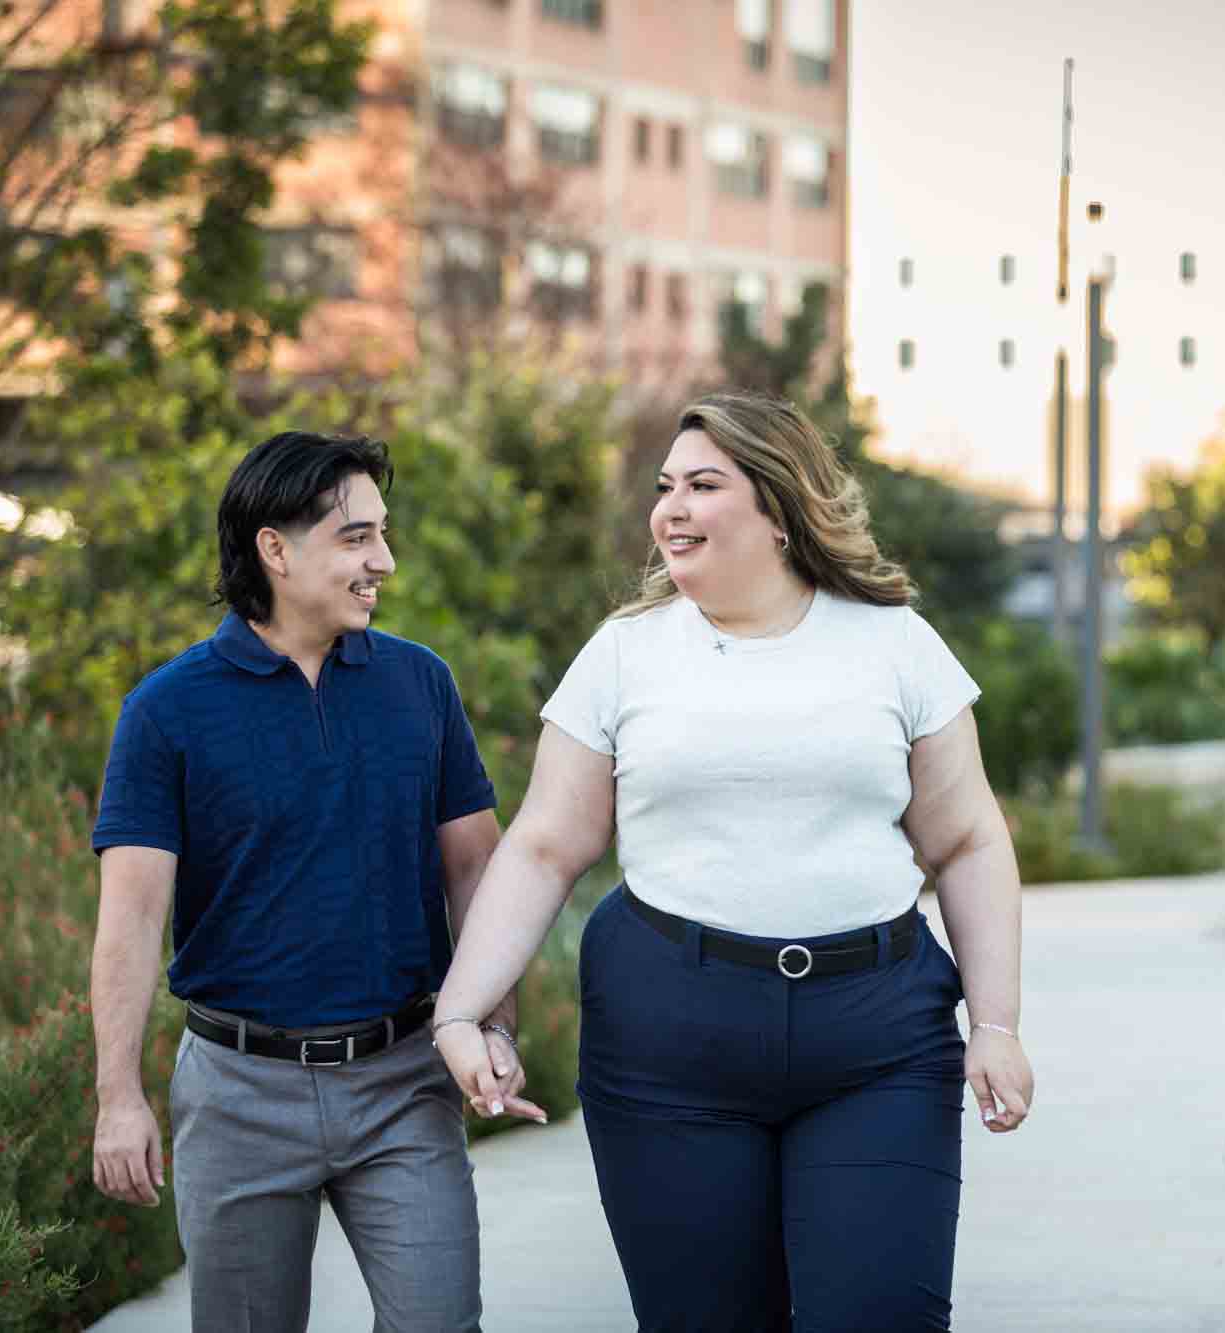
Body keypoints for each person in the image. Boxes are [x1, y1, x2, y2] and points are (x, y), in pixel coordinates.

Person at [432, 391, 1035, 1331]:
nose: (669, 508)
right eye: (666, 486)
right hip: (669, 1040)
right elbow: (546, 845)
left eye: (703, 485)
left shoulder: (895, 642)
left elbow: (966, 840)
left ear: (781, 508)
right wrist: (463, 1010)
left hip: (873, 1042)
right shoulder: (626, 653)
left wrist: (995, 1021)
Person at [88, 430, 537, 1333]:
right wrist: (119, 1095)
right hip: (238, 1092)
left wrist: (490, 1022)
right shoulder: (166, 711)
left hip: (404, 1082)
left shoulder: (421, 684)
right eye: (357, 538)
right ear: (276, 549)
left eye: (381, 533)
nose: (386, 560)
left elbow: (479, 869)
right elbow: (133, 917)